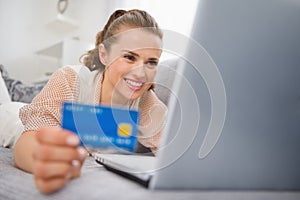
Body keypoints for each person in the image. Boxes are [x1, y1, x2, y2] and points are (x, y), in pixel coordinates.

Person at [13, 9, 167, 194]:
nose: (141, 73)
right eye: (129, 57)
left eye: (151, 62)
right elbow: (28, 143)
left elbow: (174, 151)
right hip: (13, 122)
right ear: (104, 54)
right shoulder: (69, 79)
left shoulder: (149, 105)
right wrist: (46, 162)